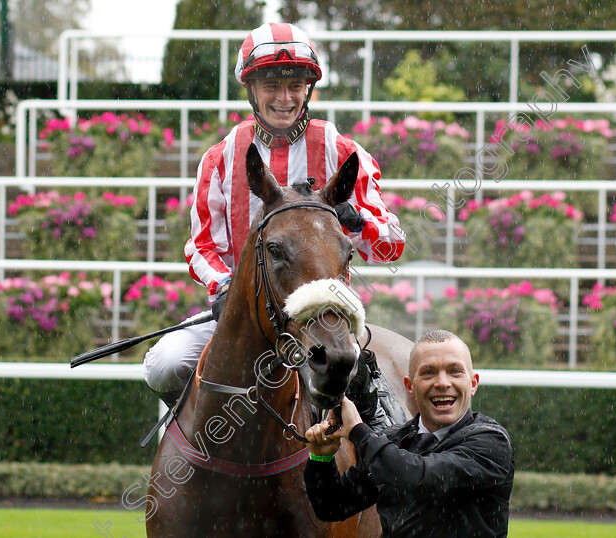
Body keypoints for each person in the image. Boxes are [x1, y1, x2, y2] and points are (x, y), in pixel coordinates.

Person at [143, 22, 405, 424]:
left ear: (308, 89)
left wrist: (356, 223)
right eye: (272, 85)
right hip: (241, 314)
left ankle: (378, 464)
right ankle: (183, 442)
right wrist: (225, 285)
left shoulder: (342, 150)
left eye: (295, 85)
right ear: (251, 90)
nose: (285, 98)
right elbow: (201, 247)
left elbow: (391, 246)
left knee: (365, 388)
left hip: (325, 321)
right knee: (164, 363)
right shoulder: (221, 157)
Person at [303, 329, 515, 537]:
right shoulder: (393, 440)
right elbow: (332, 505)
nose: (442, 383)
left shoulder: (491, 441)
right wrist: (321, 458)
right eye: (428, 372)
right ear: (410, 386)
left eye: (455, 371)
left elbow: (419, 479)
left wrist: (358, 430)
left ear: (473, 384)